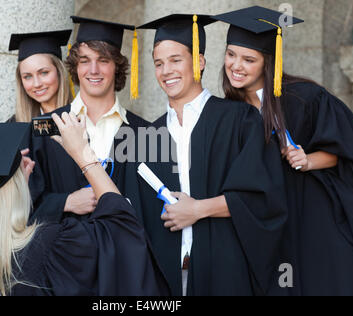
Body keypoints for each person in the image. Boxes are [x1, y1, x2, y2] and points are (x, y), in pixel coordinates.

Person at [123, 14, 287, 296]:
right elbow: (133, 216)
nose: (166, 71)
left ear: (198, 61)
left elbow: (264, 198)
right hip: (165, 280)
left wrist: (198, 209)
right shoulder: (147, 136)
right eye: (159, 63)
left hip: (226, 272)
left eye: (176, 60)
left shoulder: (240, 120)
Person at [215, 6, 353, 295]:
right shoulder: (226, 113)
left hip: (317, 223)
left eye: (248, 59)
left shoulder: (305, 98)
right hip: (270, 232)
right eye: (231, 54)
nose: (236, 65)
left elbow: (347, 150)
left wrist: (307, 160)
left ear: (268, 62)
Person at [0, 121, 169, 296]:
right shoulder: (50, 245)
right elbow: (121, 230)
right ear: (19, 188)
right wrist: (83, 154)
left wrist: (14, 183)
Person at [29, 17, 148, 224]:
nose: (93, 70)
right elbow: (24, 205)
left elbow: (150, 209)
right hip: (62, 251)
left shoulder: (144, 132)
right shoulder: (46, 127)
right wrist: (65, 202)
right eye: (84, 61)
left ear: (116, 67)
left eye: (103, 60)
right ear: (75, 66)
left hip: (122, 253)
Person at [7, 30, 73, 123]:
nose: (37, 84)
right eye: (28, 77)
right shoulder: (14, 125)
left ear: (59, 71)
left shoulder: (82, 117)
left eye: (44, 73)